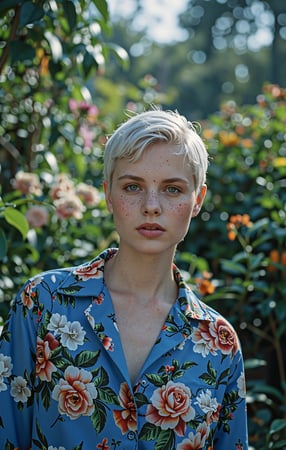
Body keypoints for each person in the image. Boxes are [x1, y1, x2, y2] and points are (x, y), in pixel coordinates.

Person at [0, 109, 248, 449]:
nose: (151, 206)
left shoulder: (218, 342)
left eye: (172, 190)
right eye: (133, 186)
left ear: (197, 200)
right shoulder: (41, 304)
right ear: (108, 194)